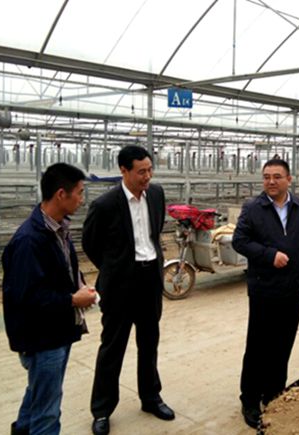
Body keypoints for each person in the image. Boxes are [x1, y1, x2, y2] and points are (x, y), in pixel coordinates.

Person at [82, 145, 172, 435]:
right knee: (112, 347)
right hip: (120, 286)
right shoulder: (105, 205)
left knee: (149, 342)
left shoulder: (156, 195)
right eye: (141, 171)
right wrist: (114, 268)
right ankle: (102, 410)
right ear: (124, 171)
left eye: (150, 170)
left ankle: (151, 397)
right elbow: (90, 243)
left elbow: (155, 231)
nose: (147, 176)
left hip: (150, 280)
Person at [2, 163, 97, 435]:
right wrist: (72, 300)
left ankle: (23, 430)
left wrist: (80, 286)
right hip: (42, 338)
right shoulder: (29, 240)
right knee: (48, 411)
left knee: (37, 394)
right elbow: (27, 298)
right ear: (61, 194)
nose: (82, 199)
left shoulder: (56, 228)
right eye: (79, 192)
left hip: (57, 331)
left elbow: (62, 270)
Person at [232, 159, 299, 429]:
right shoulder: (253, 208)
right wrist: (269, 255)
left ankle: (273, 394)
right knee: (258, 346)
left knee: (283, 344)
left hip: (293, 288)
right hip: (264, 289)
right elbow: (239, 241)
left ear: (289, 180)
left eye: (277, 176)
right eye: (266, 176)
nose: (271, 181)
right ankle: (249, 399)